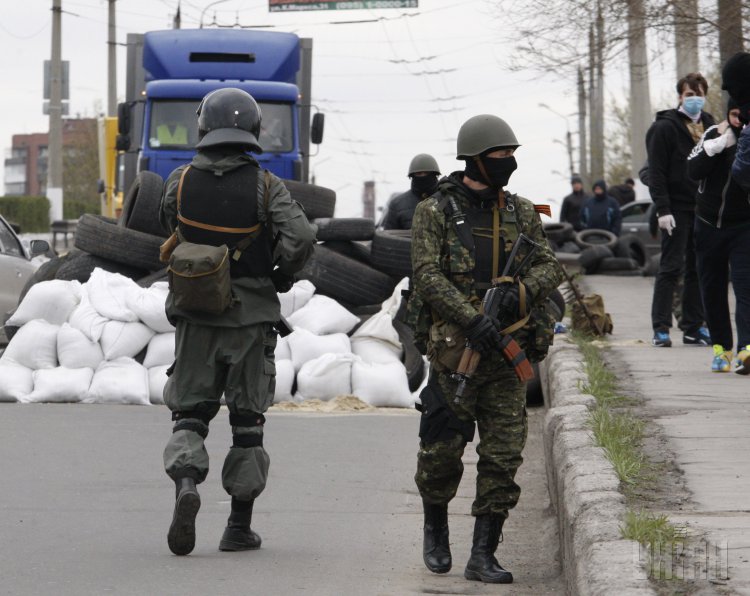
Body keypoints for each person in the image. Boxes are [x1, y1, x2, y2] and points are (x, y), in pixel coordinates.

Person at [158, 88, 316, 556]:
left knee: (189, 411)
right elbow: (301, 237)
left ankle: (187, 482)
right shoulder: (267, 186)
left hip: (195, 316)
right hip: (250, 321)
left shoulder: (179, 181)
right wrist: (281, 275)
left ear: (203, 127)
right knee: (247, 421)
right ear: (252, 130)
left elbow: (172, 228)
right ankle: (237, 528)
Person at [410, 114, 562, 584]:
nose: (508, 162)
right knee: (442, 451)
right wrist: (472, 318)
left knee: (503, 455)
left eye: (511, 155)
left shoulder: (519, 211)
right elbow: (427, 275)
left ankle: (483, 552)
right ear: (475, 158)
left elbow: (549, 265)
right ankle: (435, 526)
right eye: (500, 156)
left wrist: (519, 294)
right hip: (457, 350)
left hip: (506, 349)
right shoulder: (434, 212)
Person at [646, 72, 715, 348]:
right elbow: (657, 172)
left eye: (699, 95)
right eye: (689, 95)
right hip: (675, 208)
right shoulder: (664, 128)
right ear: (680, 96)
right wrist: (663, 209)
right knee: (671, 267)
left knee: (698, 268)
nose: (694, 100)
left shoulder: (711, 125)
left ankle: (693, 327)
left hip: (703, 207)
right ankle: (661, 327)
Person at [687, 97, 750, 374]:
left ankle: (746, 350)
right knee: (711, 289)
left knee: (745, 288)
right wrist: (712, 149)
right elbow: (692, 170)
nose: (738, 121)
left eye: (743, 116)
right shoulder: (713, 134)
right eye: (734, 115)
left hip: (743, 228)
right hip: (707, 224)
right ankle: (721, 349)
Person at [381, 153, 441, 230]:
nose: (423, 176)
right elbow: (388, 238)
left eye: (427, 173)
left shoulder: (449, 200)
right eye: (419, 173)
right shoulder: (397, 204)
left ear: (434, 174)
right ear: (412, 176)